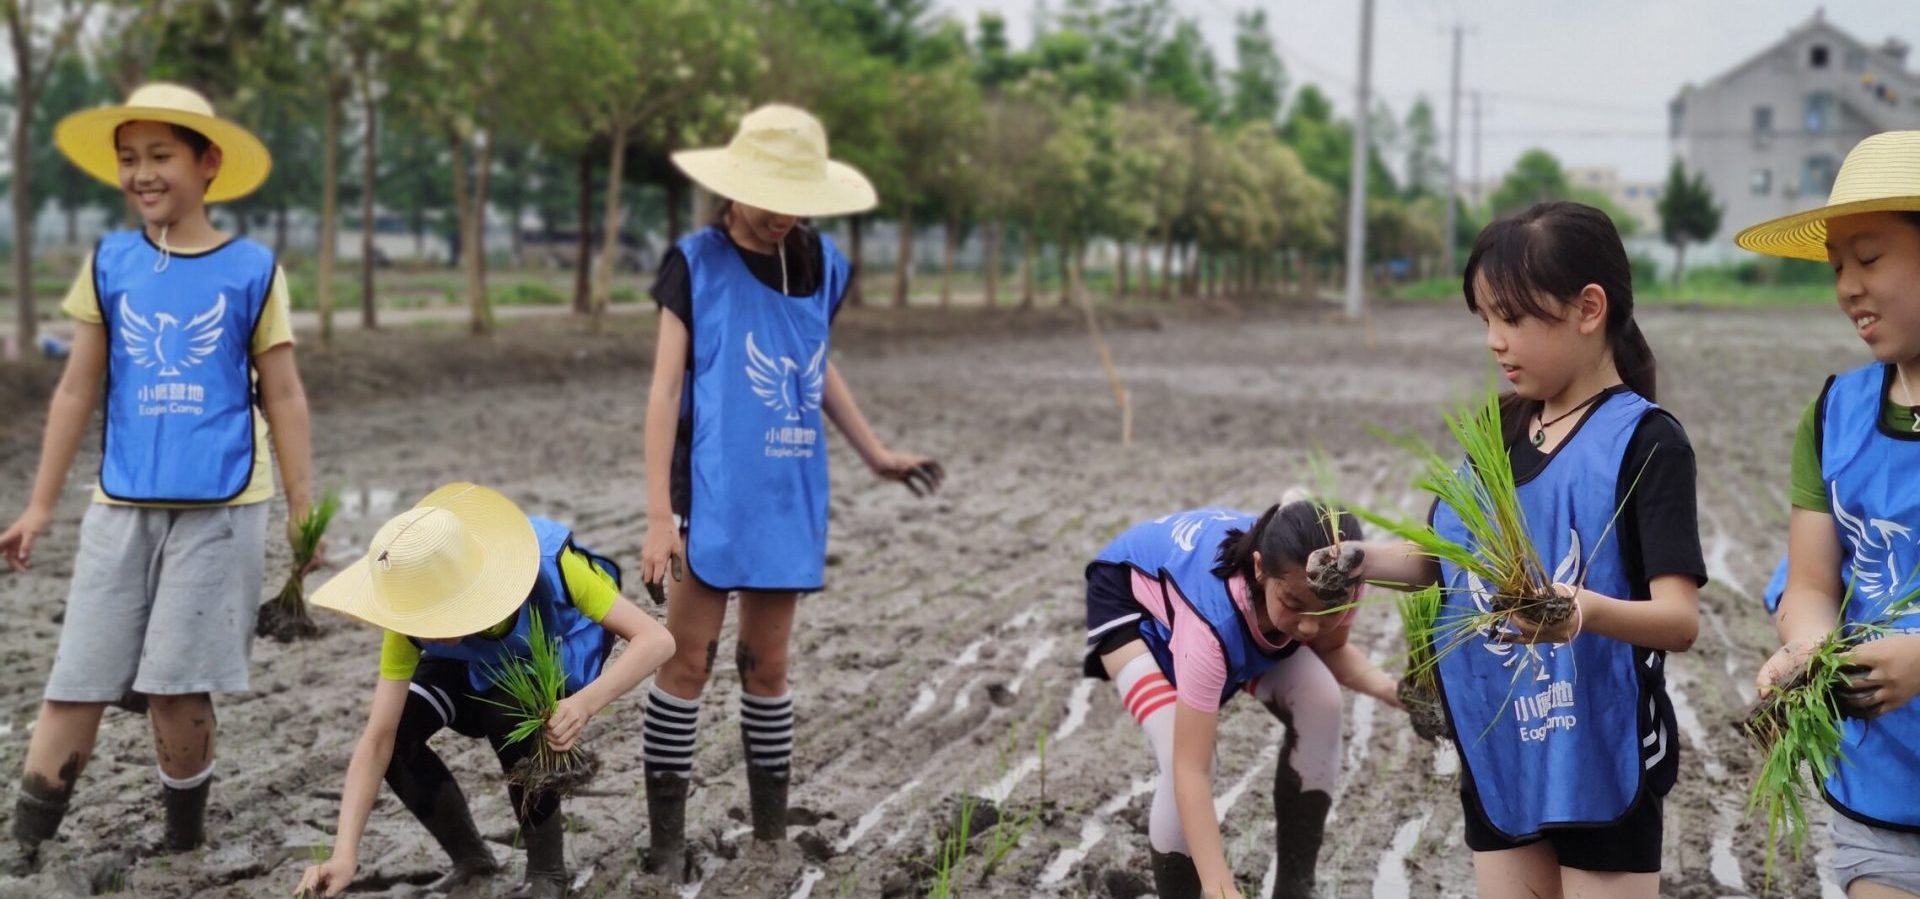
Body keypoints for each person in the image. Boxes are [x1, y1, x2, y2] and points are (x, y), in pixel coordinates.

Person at [1308, 202, 1704, 899]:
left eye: (1512, 318)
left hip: (1597, 744)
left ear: (1588, 308)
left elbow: (1679, 619)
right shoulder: (1498, 431)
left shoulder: (1646, 443)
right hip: (1503, 743)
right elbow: (1447, 560)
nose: (1495, 340)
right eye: (1486, 319)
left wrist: (1578, 609)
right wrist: (1360, 559)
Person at [0, 83, 315, 873]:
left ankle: (183, 844)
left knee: (177, 684)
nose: (142, 173)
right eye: (128, 159)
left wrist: (303, 515)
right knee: (77, 678)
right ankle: (25, 849)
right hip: (121, 502)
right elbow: (77, 388)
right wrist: (39, 504)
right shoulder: (109, 262)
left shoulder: (253, 270)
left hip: (223, 506)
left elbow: (283, 393)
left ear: (208, 163)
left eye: (160, 156)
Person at [637, 104, 942, 879]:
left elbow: (811, 357)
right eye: (769, 197)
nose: (784, 216)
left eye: (797, 199)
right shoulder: (694, 262)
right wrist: (655, 516)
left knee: (765, 668)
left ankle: (769, 834)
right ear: (734, 187)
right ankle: (666, 843)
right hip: (708, 491)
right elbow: (664, 390)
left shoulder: (824, 262)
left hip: (788, 491)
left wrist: (872, 452)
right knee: (686, 663)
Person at [295, 483, 675, 898]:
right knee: (400, 730)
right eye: (418, 622)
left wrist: (583, 704)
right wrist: (344, 853)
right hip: (469, 659)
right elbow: (377, 739)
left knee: (509, 709)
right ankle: (470, 859)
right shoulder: (410, 604)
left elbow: (656, 640)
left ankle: (547, 874)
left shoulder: (548, 565)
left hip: (555, 652)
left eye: (435, 618)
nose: (421, 633)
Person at [1741, 131, 1920, 899]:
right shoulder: (1834, 414)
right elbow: (1812, 580)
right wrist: (1809, 651)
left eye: (1870, 257)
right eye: (1837, 262)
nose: (1847, 284)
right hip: (1878, 786)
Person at [1084, 498, 1398, 899]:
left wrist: (1393, 692)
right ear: (1259, 569)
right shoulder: (1210, 626)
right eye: (1294, 604)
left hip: (1232, 611)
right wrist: (1221, 887)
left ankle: (1294, 888)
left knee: (1322, 702)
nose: (1308, 627)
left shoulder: (1339, 577)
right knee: (1190, 755)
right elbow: (1190, 770)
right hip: (1131, 603)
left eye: (1326, 613)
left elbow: (1332, 651)